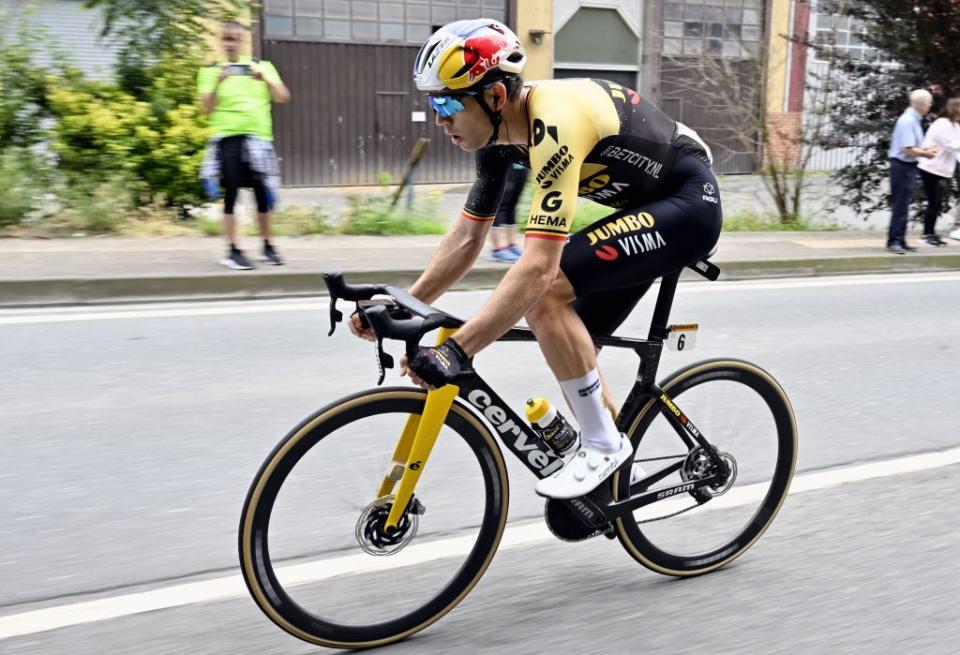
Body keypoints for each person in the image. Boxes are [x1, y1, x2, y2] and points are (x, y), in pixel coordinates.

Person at [348, 19, 721, 499]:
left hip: (689, 204)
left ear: (496, 98)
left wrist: (457, 350)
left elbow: (539, 266)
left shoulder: (556, 121)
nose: (440, 119)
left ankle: (604, 445)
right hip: (642, 209)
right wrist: (405, 302)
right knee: (568, 345)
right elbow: (466, 238)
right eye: (432, 104)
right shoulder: (498, 140)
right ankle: (608, 477)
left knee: (544, 299)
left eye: (446, 103)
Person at [197, 21, 291, 270]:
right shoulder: (209, 71)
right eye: (226, 38)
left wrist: (266, 81)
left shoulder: (262, 66)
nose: (230, 43)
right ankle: (232, 249)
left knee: (263, 194)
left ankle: (268, 246)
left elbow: (283, 96)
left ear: (243, 41)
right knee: (232, 193)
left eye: (235, 38)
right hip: (227, 138)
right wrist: (218, 82)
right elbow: (205, 109)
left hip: (259, 139)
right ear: (221, 41)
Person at [886, 89, 938, 255]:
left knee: (904, 205)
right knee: (900, 205)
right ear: (922, 104)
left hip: (907, 166)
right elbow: (907, 149)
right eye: (929, 103)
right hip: (902, 166)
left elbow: (913, 146)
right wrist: (926, 154)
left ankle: (900, 239)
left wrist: (926, 149)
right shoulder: (907, 121)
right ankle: (894, 241)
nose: (930, 106)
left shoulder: (914, 120)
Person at [917, 97, 960, 246]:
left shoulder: (955, 126)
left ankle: (931, 233)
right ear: (955, 109)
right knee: (933, 202)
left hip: (941, 169)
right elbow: (952, 146)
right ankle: (926, 235)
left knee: (937, 203)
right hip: (930, 167)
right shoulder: (942, 124)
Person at [488, 163, 527, 263]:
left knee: (513, 205)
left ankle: (512, 245)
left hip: (521, 165)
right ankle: (497, 249)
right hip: (506, 163)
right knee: (501, 205)